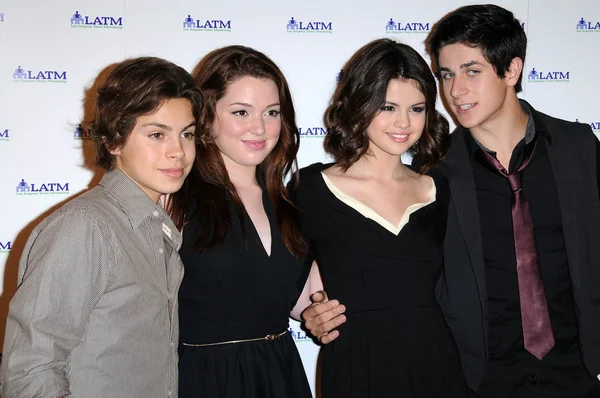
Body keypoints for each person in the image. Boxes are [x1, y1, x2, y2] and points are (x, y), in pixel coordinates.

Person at [305, 4, 600, 398]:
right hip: (476, 380)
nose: (455, 91)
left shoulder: (579, 148)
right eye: (446, 74)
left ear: (511, 70)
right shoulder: (436, 172)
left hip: (576, 375)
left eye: (472, 71)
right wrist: (315, 309)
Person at [1, 57, 202, 397]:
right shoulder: (85, 228)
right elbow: (30, 371)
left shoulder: (156, 230)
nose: (178, 152)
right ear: (114, 142)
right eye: (157, 134)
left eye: (187, 134)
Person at [290, 38, 467, 397]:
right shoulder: (312, 189)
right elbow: (282, 284)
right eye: (387, 107)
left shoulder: (440, 190)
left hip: (438, 364)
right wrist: (309, 313)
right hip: (358, 366)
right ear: (360, 104)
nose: (404, 122)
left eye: (417, 109)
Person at [166, 45, 312, 398]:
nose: (259, 128)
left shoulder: (289, 201)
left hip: (280, 372)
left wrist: (318, 314)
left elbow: (298, 301)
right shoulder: (174, 196)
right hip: (205, 378)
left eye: (271, 112)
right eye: (241, 112)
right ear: (207, 116)